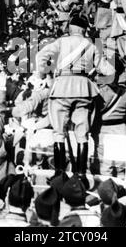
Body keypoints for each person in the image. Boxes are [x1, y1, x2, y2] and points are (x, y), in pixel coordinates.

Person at [36, 14, 114, 183]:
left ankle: (59, 173)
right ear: (84, 29)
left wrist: (45, 72)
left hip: (61, 88)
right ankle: (81, 175)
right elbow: (107, 70)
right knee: (82, 133)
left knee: (59, 133)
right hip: (83, 89)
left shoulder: (60, 42)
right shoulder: (91, 45)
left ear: (71, 28)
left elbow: (40, 57)